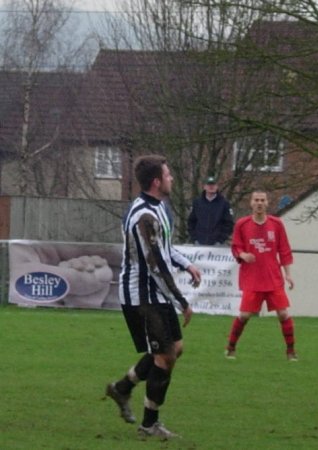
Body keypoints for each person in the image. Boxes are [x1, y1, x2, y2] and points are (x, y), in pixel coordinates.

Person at [105, 154, 201, 439]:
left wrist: (187, 264)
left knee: (175, 349)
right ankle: (149, 425)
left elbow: (166, 250)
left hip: (155, 294)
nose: (172, 178)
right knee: (164, 356)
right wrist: (182, 301)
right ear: (157, 182)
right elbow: (155, 263)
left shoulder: (159, 208)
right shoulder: (142, 216)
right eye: (169, 175)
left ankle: (122, 388)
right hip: (142, 297)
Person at [225, 189, 298, 361]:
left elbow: (284, 250)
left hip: (273, 278)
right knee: (244, 315)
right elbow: (236, 247)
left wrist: (288, 274)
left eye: (262, 200)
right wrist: (243, 255)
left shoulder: (276, 224)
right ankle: (231, 347)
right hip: (252, 279)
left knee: (283, 314)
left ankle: (291, 351)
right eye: (256, 200)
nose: (259, 203)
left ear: (267, 203)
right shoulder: (242, 224)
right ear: (251, 203)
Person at [187, 176, 234, 245]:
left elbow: (229, 224)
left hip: (217, 246)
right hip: (198, 245)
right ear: (204, 187)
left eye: (213, 185)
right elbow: (191, 222)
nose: (211, 187)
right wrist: (195, 239)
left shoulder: (224, 203)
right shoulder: (197, 202)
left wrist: (220, 240)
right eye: (209, 185)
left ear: (217, 186)